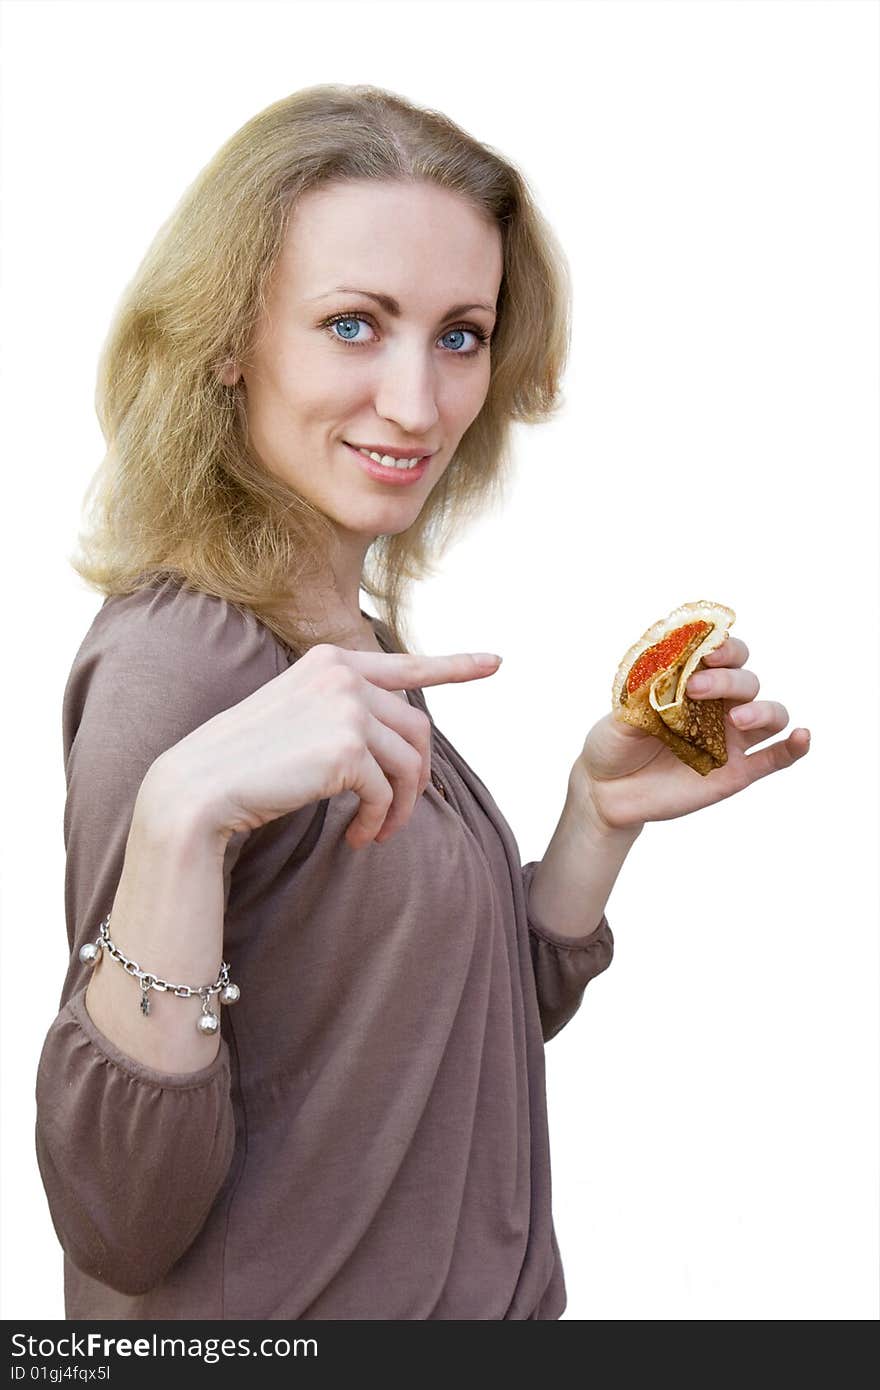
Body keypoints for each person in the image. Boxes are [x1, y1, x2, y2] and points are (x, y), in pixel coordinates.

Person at [34, 84, 811, 1322]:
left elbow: (410, 1049)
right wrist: (180, 816)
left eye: (459, 335)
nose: (417, 401)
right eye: (353, 324)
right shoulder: (174, 669)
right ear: (229, 341)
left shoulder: (343, 638)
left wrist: (593, 821)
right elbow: (121, 1219)